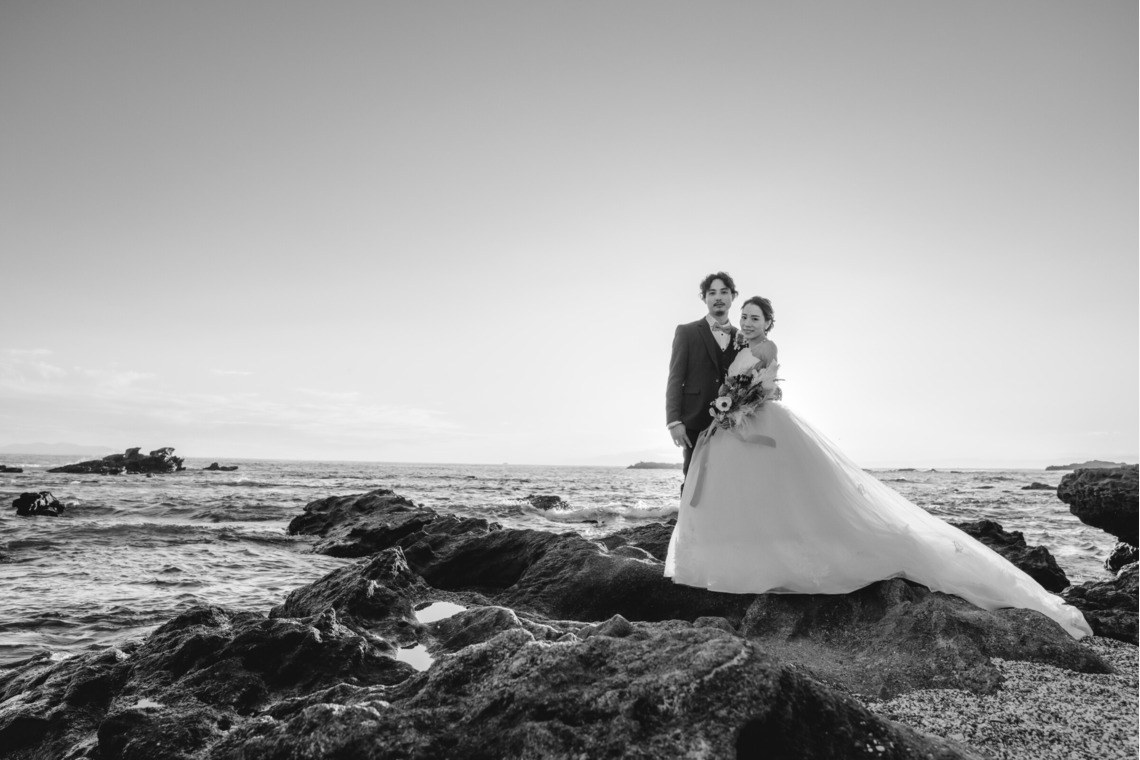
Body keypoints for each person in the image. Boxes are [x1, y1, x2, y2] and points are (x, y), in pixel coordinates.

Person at [664, 295, 1092, 640]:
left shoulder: (763, 347)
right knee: (756, 490)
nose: (749, 321)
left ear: (767, 323)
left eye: (755, 316)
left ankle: (778, 552)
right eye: (746, 316)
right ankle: (748, 549)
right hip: (736, 423)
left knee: (787, 488)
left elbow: (765, 386)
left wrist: (742, 399)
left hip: (758, 419)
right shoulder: (735, 342)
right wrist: (725, 405)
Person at [665, 272, 742, 480]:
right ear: (704, 298)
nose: (718, 297)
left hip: (732, 423)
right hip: (694, 421)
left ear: (733, 296)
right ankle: (687, 514)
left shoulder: (742, 338)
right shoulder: (687, 332)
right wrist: (674, 422)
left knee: (727, 480)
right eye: (712, 293)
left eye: (724, 292)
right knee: (693, 479)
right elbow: (675, 378)